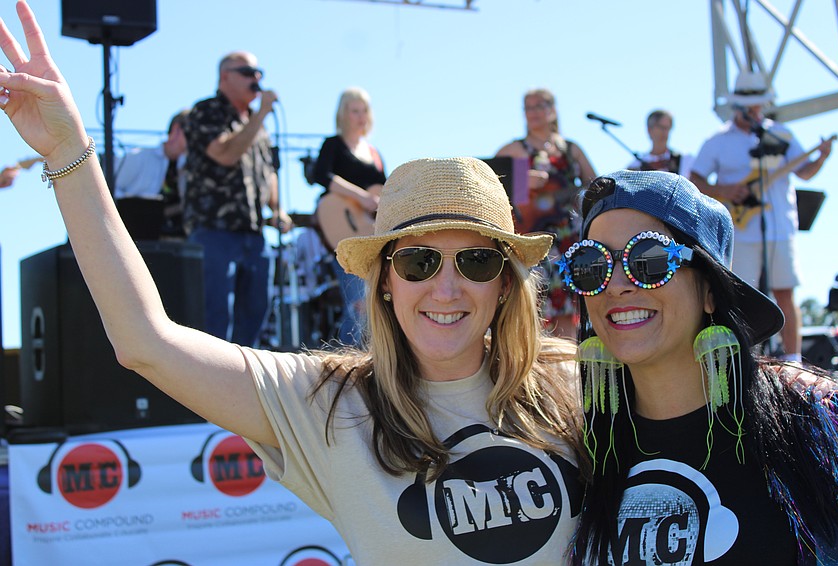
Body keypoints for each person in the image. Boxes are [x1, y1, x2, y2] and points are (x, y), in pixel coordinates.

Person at [0, 7, 587, 562]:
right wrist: (69, 152)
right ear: (384, 282)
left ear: (506, 286)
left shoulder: (575, 383)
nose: (447, 287)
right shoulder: (334, 407)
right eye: (418, 263)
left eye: (477, 263)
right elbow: (145, 342)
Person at [556, 170, 838, 564]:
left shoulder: (813, 423)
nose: (617, 284)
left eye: (649, 260)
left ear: (710, 290)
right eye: (592, 264)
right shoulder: (581, 450)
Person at [689, 71, 833, 363]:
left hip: (780, 227)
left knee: (785, 291)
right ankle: (746, 359)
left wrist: (822, 157)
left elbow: (803, 170)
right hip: (740, 230)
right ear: (738, 106)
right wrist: (726, 189)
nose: (756, 110)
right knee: (741, 295)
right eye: (750, 104)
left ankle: (793, 360)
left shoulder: (780, 134)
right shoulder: (717, 141)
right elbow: (696, 179)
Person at [182, 49, 292, 347]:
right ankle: (210, 387)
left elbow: (268, 173)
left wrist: (277, 208)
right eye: (247, 72)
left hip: (254, 235)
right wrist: (260, 116)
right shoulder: (206, 111)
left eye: (259, 73)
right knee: (216, 318)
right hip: (215, 230)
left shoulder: (259, 126)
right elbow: (225, 153)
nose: (256, 78)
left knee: (255, 315)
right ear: (224, 77)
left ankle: (244, 386)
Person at [496, 88, 596, 338]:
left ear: (552, 110)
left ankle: (567, 365)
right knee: (534, 300)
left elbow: (595, 185)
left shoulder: (570, 149)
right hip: (532, 235)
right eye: (528, 108)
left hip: (569, 236)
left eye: (539, 106)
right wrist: (521, 181)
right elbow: (489, 184)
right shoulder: (515, 149)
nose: (533, 113)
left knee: (568, 303)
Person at [312, 87, 386, 346]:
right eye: (354, 111)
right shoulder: (333, 145)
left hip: (369, 237)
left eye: (364, 110)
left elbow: (382, 193)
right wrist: (360, 197)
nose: (360, 116)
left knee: (374, 304)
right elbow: (321, 176)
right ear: (343, 115)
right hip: (342, 234)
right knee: (357, 304)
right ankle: (347, 363)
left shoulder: (374, 153)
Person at [113, 109, 189, 241]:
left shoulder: (192, 168)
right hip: (135, 240)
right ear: (176, 130)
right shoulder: (138, 157)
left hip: (176, 246)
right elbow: (107, 188)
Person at [625, 109, 694, 178]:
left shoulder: (684, 160)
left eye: (668, 128)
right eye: (660, 127)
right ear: (649, 130)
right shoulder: (635, 167)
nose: (665, 132)